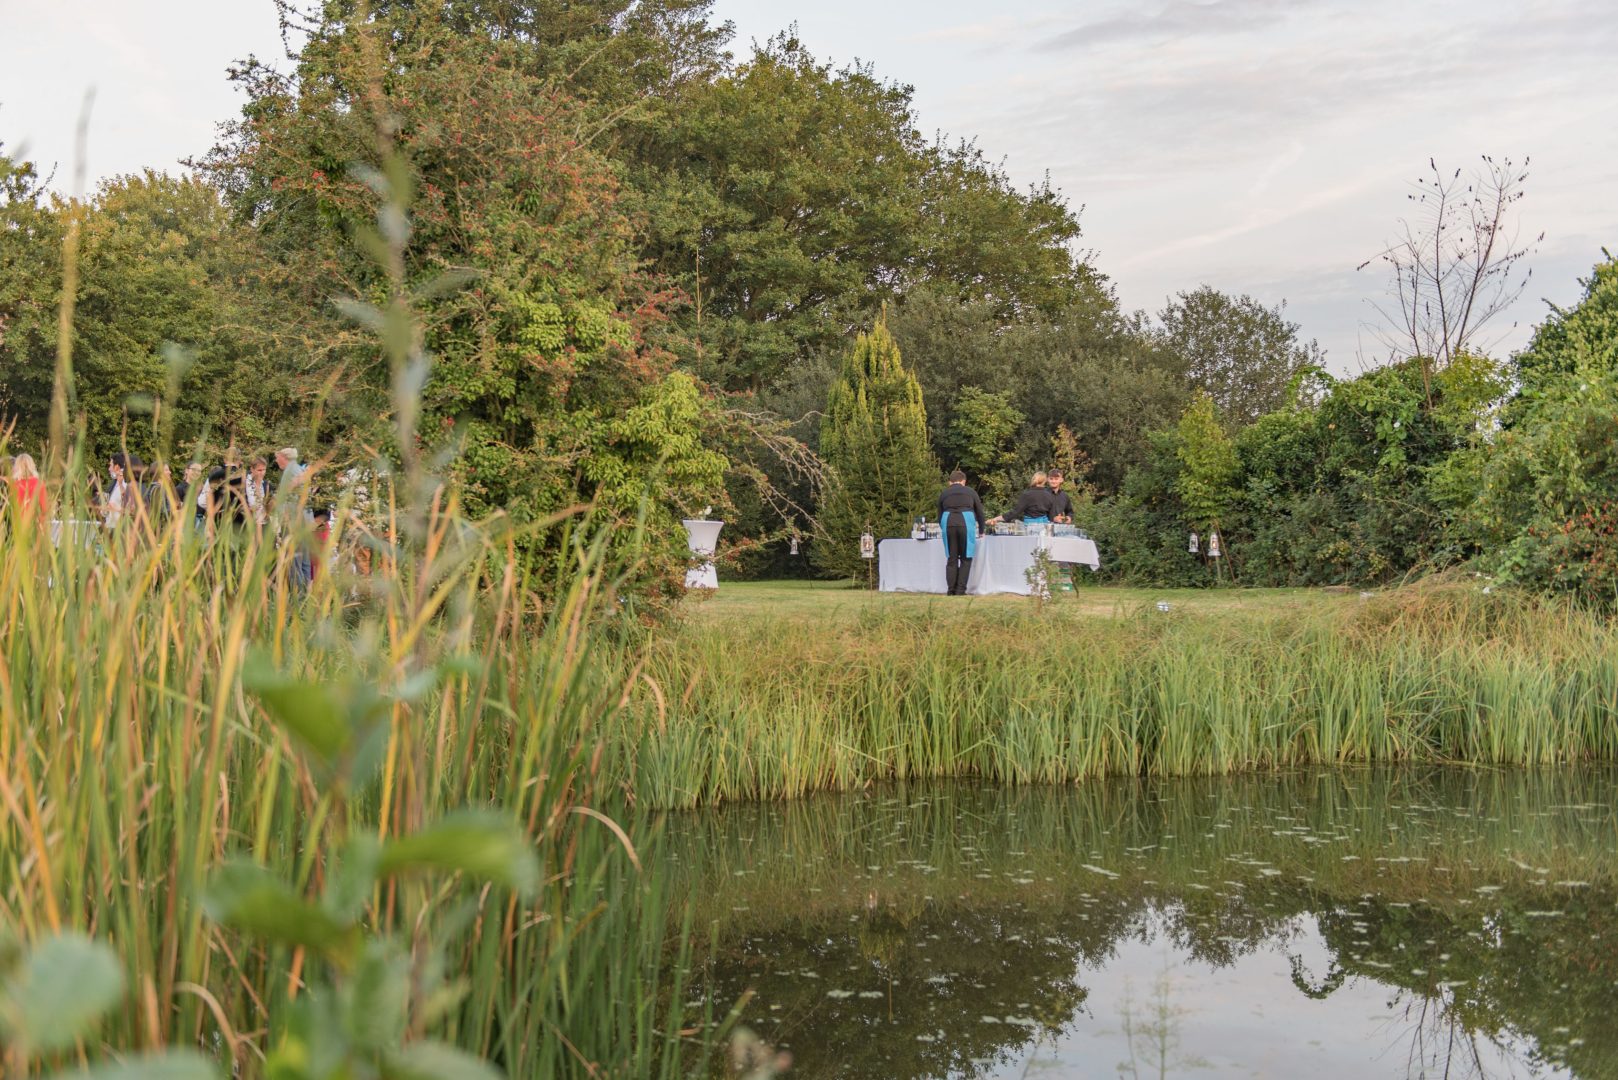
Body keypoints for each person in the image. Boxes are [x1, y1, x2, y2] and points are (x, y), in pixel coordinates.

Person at [937, 470, 987, 596]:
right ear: (964, 481)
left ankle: (951, 590)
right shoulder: (971, 491)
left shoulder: (944, 493)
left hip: (948, 522)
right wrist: (981, 530)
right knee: (966, 557)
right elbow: (980, 512)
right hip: (966, 521)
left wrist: (943, 527)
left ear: (950, 482)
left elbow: (939, 514)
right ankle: (960, 590)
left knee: (952, 558)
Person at [990, 471, 1056, 527]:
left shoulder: (1027, 495)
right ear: (1045, 481)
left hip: (1029, 527)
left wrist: (996, 519)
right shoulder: (1050, 495)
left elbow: (1014, 513)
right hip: (1044, 526)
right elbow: (1051, 516)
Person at [9, 453, 47, 521]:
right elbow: (45, 509)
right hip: (37, 525)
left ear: (17, 467)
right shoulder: (40, 483)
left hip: (20, 525)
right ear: (32, 466)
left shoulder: (14, 485)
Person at [243, 456, 273, 528]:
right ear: (252, 469)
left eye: (264, 470)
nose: (262, 473)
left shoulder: (266, 485)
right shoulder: (243, 483)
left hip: (264, 524)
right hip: (248, 525)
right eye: (259, 470)